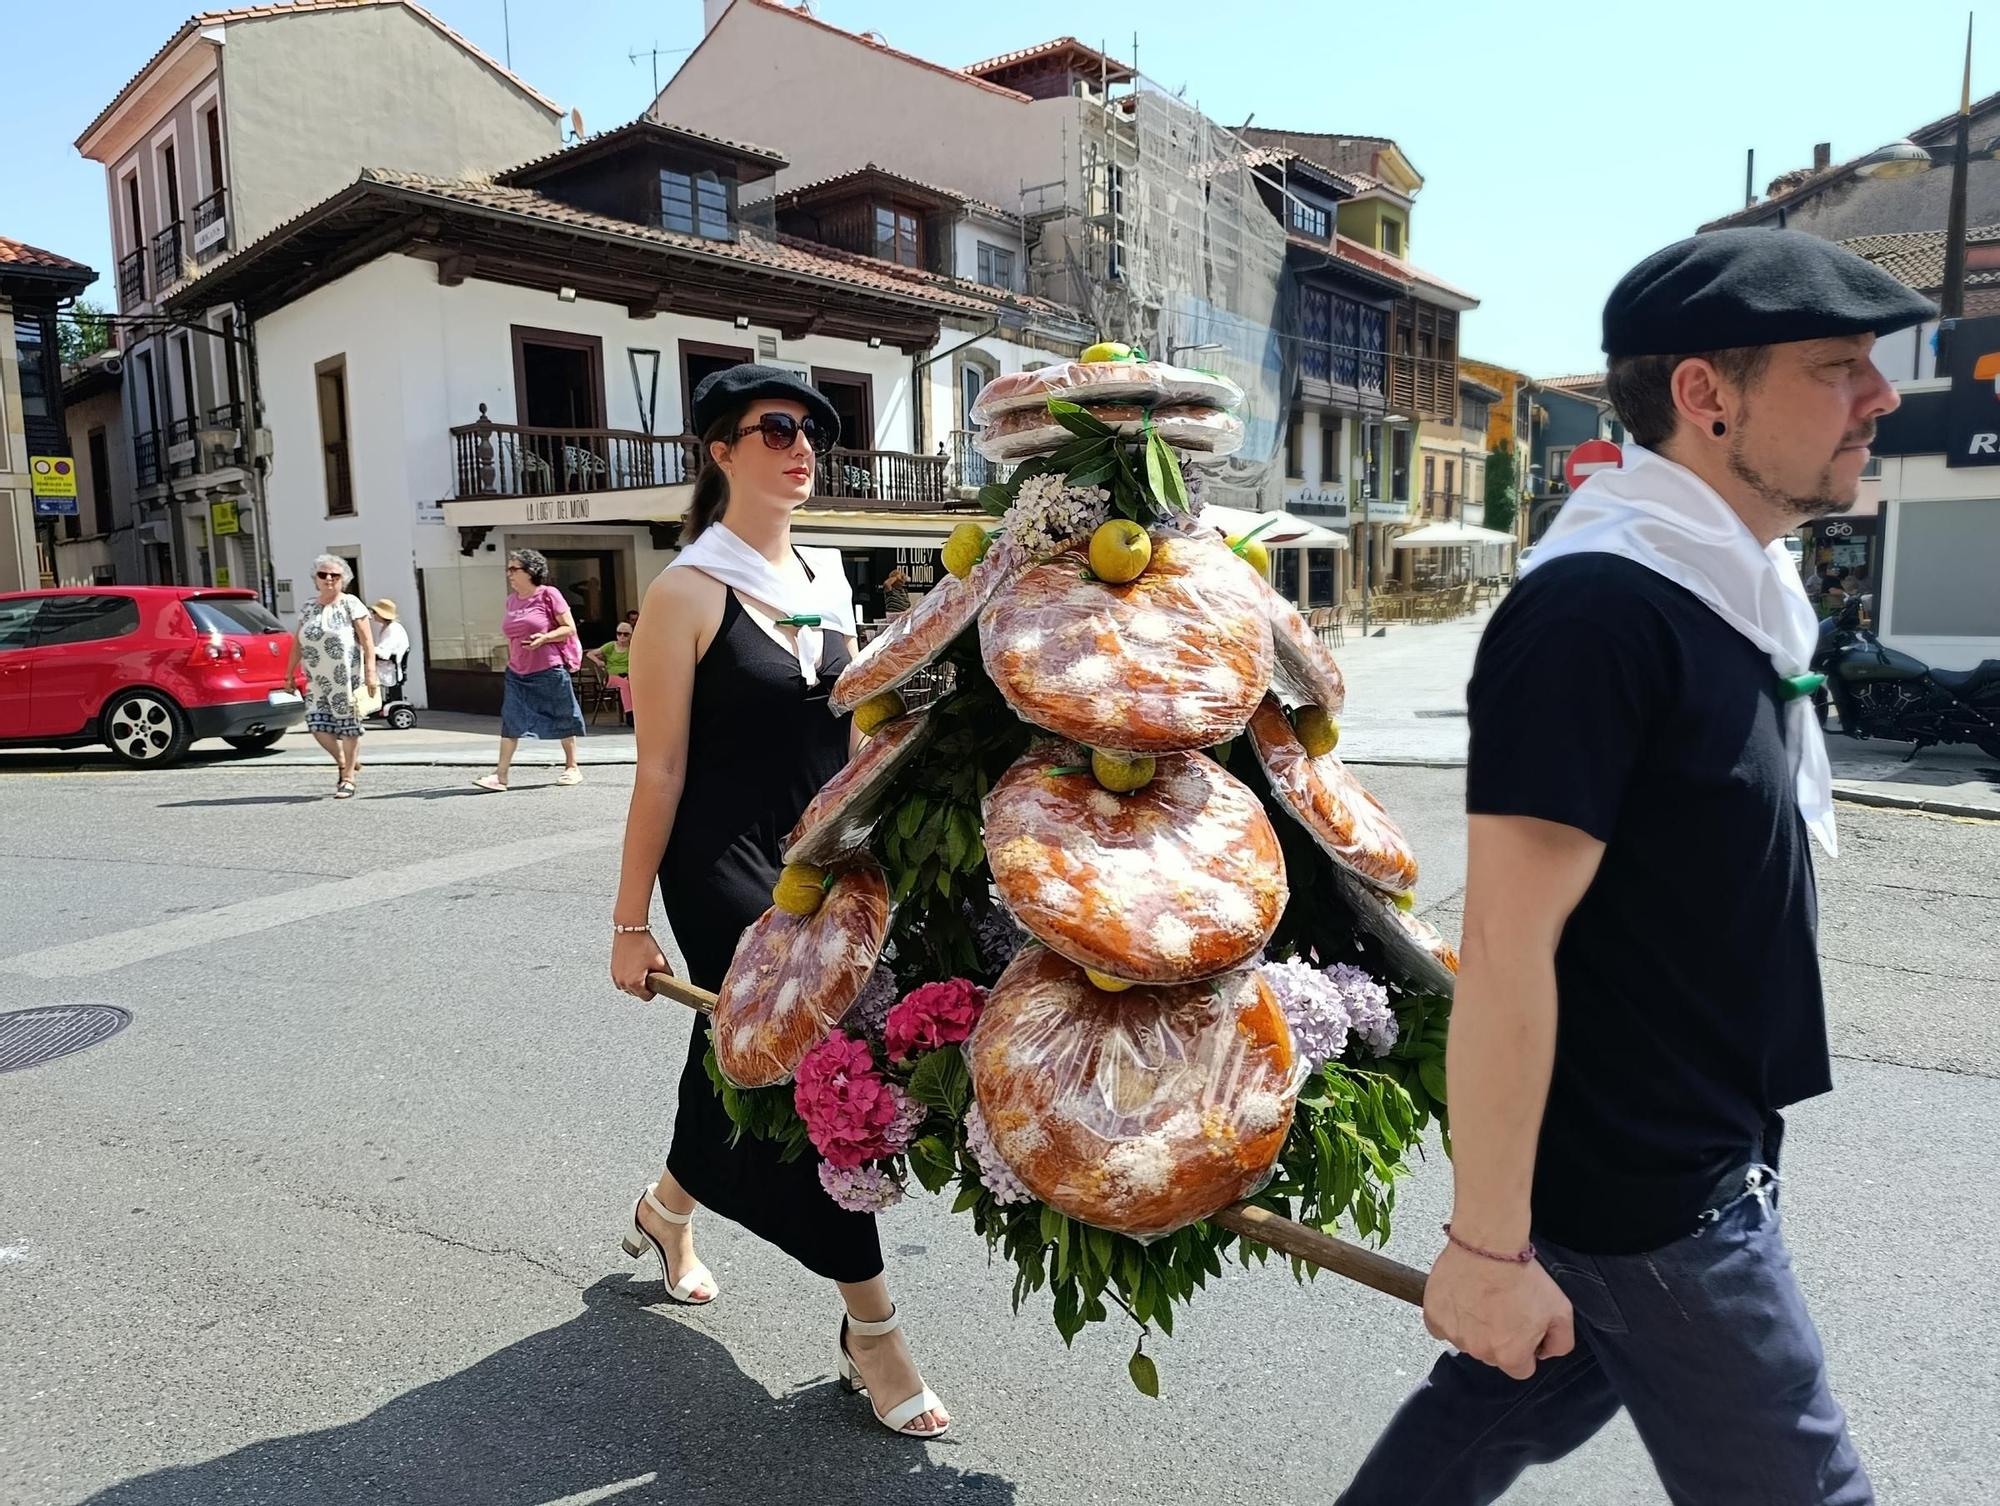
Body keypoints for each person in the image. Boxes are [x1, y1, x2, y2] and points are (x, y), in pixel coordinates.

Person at [1337, 229, 1930, 1506]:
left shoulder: (1738, 594)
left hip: (1704, 1135)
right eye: (1836, 367)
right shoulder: (1598, 613)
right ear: (1705, 396)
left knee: (1488, 1426)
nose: (1879, 396)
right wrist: (1482, 1247)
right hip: (1651, 1193)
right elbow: (1502, 947)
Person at [608, 364, 949, 1439]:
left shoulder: (826, 578)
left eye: (815, 432)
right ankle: (873, 1330)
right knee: (817, 1068)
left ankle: (666, 1211)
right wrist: (628, 925)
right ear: (720, 450)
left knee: (730, 1055)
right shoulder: (684, 592)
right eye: (776, 429)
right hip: (719, 865)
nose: (802, 446)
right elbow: (658, 769)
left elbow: (842, 738)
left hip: (818, 852)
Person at [473, 549, 584, 791]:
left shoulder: (549, 594)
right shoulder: (511, 600)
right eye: (508, 569)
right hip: (517, 670)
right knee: (510, 720)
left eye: (514, 569)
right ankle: (500, 776)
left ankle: (572, 767)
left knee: (563, 716)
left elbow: (569, 628)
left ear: (531, 571)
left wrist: (544, 638)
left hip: (549, 668)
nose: (509, 574)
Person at [285, 554, 376, 799]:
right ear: (315, 579)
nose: (328, 579)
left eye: (334, 575)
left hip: (346, 678)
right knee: (316, 725)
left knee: (348, 727)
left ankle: (348, 778)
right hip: (316, 679)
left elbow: (367, 642)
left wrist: (371, 672)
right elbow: (297, 643)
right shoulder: (308, 607)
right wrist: (289, 674)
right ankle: (344, 760)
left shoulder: (351, 604)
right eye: (323, 575)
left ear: (342, 580)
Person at [587, 621, 635, 726]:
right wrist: (599, 662)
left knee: (633, 683)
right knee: (625, 684)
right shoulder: (611, 646)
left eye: (625, 634)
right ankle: (630, 715)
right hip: (611, 677)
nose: (622, 636)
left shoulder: (633, 647)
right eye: (619, 633)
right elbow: (590, 654)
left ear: (631, 635)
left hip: (628, 675)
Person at [369, 598, 409, 702]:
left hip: (389, 668)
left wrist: (368, 649)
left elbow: (384, 653)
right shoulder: (391, 628)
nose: (373, 615)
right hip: (390, 666)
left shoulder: (392, 630)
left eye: (375, 612)